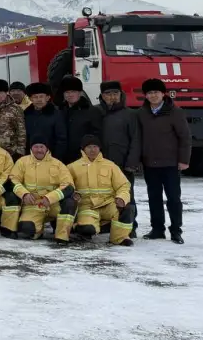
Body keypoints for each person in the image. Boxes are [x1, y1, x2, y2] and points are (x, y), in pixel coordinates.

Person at [137, 78, 190, 244]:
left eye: (156, 92)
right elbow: (138, 138)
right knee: (154, 197)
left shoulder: (175, 112)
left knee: (173, 198)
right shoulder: (141, 113)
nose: (153, 95)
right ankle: (157, 229)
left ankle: (176, 230)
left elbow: (185, 137)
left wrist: (184, 160)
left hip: (170, 164)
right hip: (150, 163)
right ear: (145, 95)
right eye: (149, 93)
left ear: (163, 93)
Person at [90, 81, 141, 237]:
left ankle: (130, 226)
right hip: (100, 164)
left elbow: (136, 140)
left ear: (121, 95)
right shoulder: (96, 112)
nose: (112, 97)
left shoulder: (130, 114)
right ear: (102, 96)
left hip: (123, 163)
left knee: (126, 195)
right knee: (105, 195)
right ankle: (108, 223)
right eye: (108, 94)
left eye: (115, 93)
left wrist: (132, 163)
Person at [4, 136, 75, 244]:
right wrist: (24, 194)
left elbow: (69, 186)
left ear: (46, 148)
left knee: (70, 203)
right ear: (31, 148)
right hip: (33, 205)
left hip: (53, 205)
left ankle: (61, 236)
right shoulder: (22, 162)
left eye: (41, 147)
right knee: (26, 229)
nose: (39, 150)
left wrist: (50, 198)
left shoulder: (58, 164)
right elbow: (13, 180)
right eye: (36, 147)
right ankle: (38, 230)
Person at [67, 135, 133, 246]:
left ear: (99, 148)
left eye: (95, 146)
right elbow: (66, 186)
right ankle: (79, 229)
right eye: (89, 147)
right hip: (87, 207)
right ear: (83, 149)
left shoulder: (110, 165)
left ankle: (119, 238)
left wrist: (121, 198)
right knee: (87, 229)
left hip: (109, 204)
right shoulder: (72, 167)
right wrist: (74, 195)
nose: (92, 150)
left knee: (127, 209)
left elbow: (123, 185)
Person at [22, 83, 68, 162]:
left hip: (51, 158)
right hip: (30, 159)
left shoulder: (56, 114)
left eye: (41, 96)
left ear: (48, 97)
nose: (39, 99)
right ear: (30, 99)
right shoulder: (26, 115)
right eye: (35, 97)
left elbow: (61, 139)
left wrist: (55, 158)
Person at [59, 75, 96, 164]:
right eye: (67, 92)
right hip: (62, 158)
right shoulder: (59, 111)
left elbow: (96, 135)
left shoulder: (91, 111)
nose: (70, 95)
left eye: (73, 91)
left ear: (79, 93)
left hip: (83, 158)